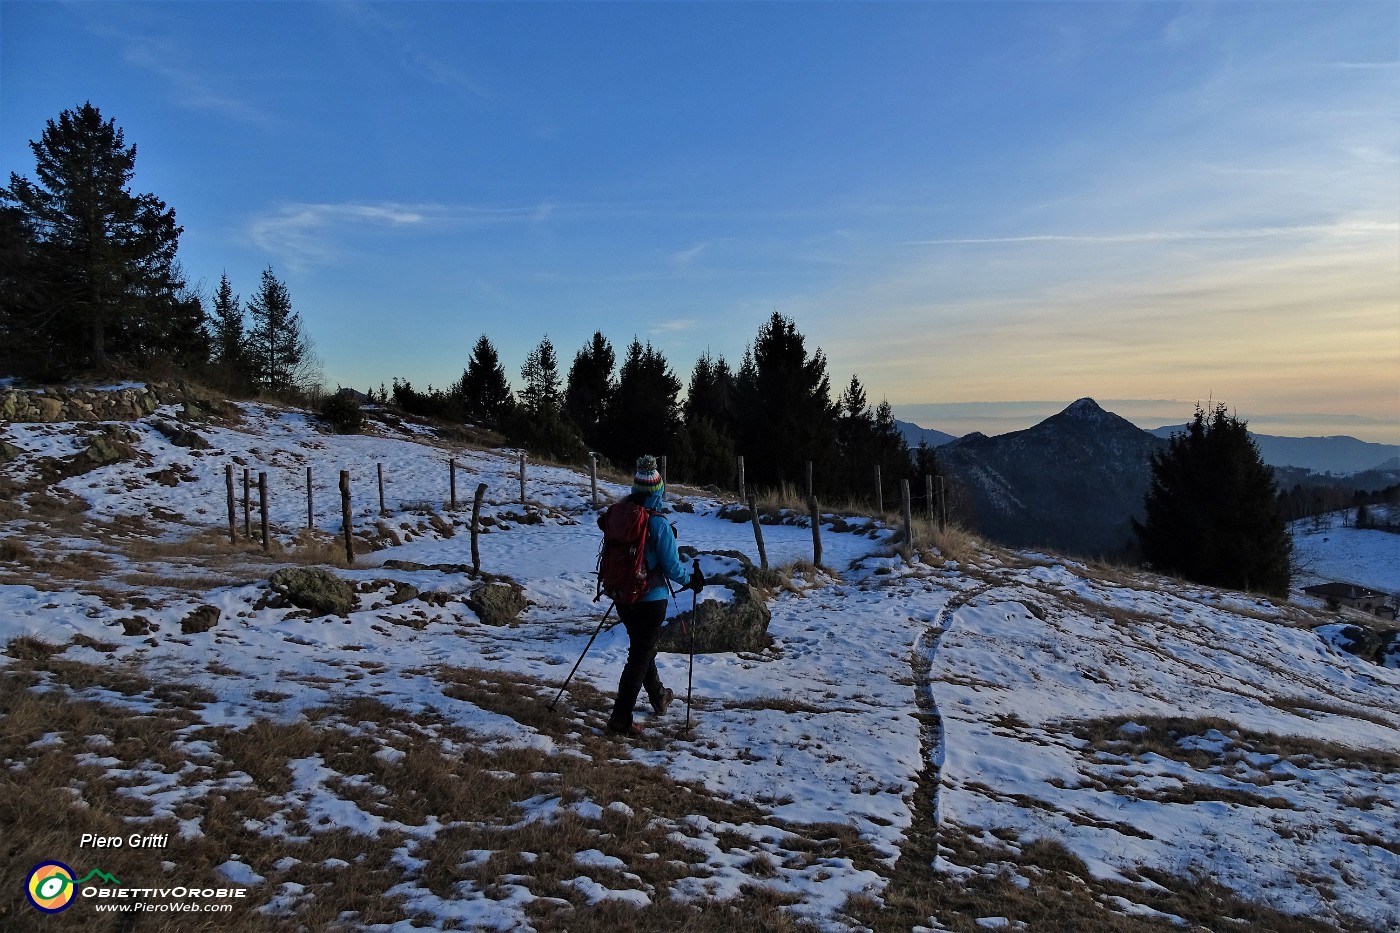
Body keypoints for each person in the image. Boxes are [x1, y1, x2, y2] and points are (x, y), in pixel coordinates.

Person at [604, 455, 702, 735]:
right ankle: (620, 718)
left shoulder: (620, 515)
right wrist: (691, 580)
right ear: (658, 491)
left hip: (622, 596)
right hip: (650, 599)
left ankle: (659, 695)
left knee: (642, 649)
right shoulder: (657, 522)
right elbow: (672, 567)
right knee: (639, 655)